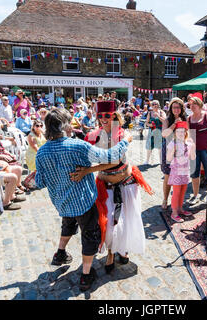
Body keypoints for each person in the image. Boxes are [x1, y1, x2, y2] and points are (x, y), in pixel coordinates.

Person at [35, 108, 133, 291]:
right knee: (89, 236)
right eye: (70, 123)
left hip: (62, 203)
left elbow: (39, 182)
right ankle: (86, 275)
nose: (73, 127)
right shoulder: (77, 146)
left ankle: (60, 253)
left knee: (68, 224)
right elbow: (110, 157)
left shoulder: (41, 152)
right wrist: (126, 140)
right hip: (83, 202)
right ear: (64, 126)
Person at [79, 101, 152, 275]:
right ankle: (111, 253)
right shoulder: (93, 135)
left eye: (107, 115)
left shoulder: (122, 133)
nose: (103, 119)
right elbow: (84, 154)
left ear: (113, 115)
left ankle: (122, 249)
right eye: (100, 116)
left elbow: (113, 160)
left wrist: (88, 170)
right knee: (109, 224)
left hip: (126, 185)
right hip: (106, 187)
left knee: (126, 220)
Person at [187, 93, 207, 205]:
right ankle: (195, 195)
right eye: (190, 104)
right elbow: (188, 134)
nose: (192, 106)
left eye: (194, 104)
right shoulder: (189, 118)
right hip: (194, 151)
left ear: (200, 105)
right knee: (194, 174)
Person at [160, 98, 188, 210]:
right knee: (167, 175)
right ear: (171, 109)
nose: (176, 109)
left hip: (181, 150)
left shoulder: (185, 119)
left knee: (180, 176)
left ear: (181, 108)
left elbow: (188, 134)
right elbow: (164, 134)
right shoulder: (168, 120)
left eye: (178, 107)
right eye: (173, 107)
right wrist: (174, 124)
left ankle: (177, 202)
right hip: (168, 149)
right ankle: (165, 199)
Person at [166, 121, 195, 222]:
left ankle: (180, 208)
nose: (180, 134)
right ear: (175, 133)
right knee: (176, 192)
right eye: (178, 132)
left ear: (186, 133)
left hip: (185, 171)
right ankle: (174, 212)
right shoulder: (172, 143)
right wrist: (173, 150)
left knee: (183, 192)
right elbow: (168, 159)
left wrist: (193, 148)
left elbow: (192, 157)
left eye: (182, 132)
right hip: (176, 171)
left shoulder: (189, 143)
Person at [24, 120, 46, 189]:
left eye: (41, 126)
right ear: (33, 127)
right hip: (33, 154)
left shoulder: (42, 134)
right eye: (37, 126)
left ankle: (43, 179)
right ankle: (37, 180)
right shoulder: (31, 136)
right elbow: (35, 148)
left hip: (41, 152)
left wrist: (45, 133)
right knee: (45, 160)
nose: (39, 127)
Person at [145, 100, 165, 165]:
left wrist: (158, 116)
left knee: (160, 147)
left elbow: (164, 121)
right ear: (151, 106)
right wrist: (149, 125)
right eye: (153, 104)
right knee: (149, 147)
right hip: (152, 131)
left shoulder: (162, 112)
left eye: (156, 104)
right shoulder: (150, 113)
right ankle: (147, 161)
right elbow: (146, 123)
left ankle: (161, 161)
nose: (155, 106)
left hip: (159, 131)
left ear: (158, 105)